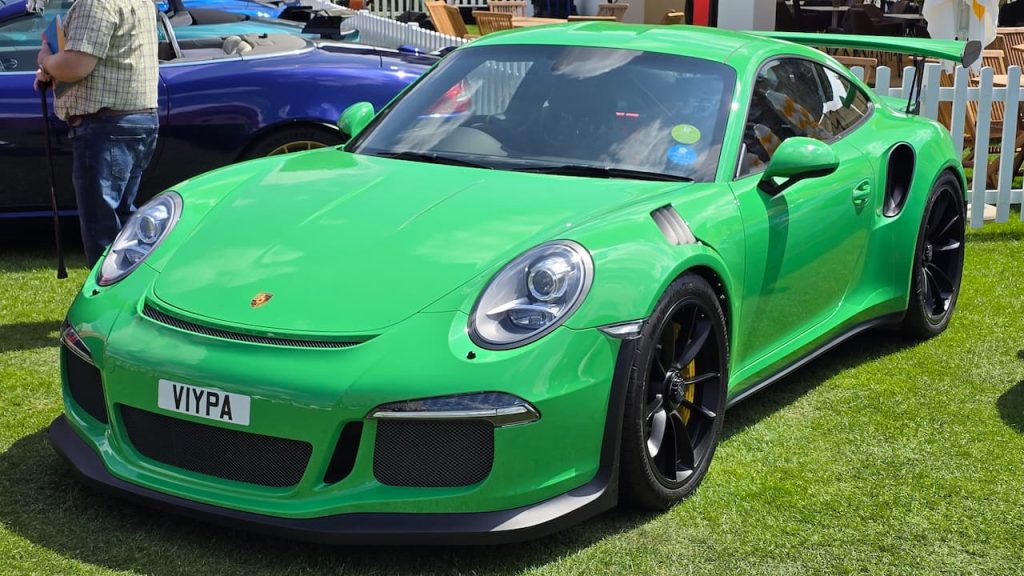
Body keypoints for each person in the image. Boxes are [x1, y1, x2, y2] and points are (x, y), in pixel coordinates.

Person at [35, 0, 159, 267]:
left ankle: (106, 301)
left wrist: (46, 60)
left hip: (106, 126)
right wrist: (52, 69)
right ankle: (131, 293)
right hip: (136, 120)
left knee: (102, 229)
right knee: (124, 223)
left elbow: (75, 66)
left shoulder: (96, 2)